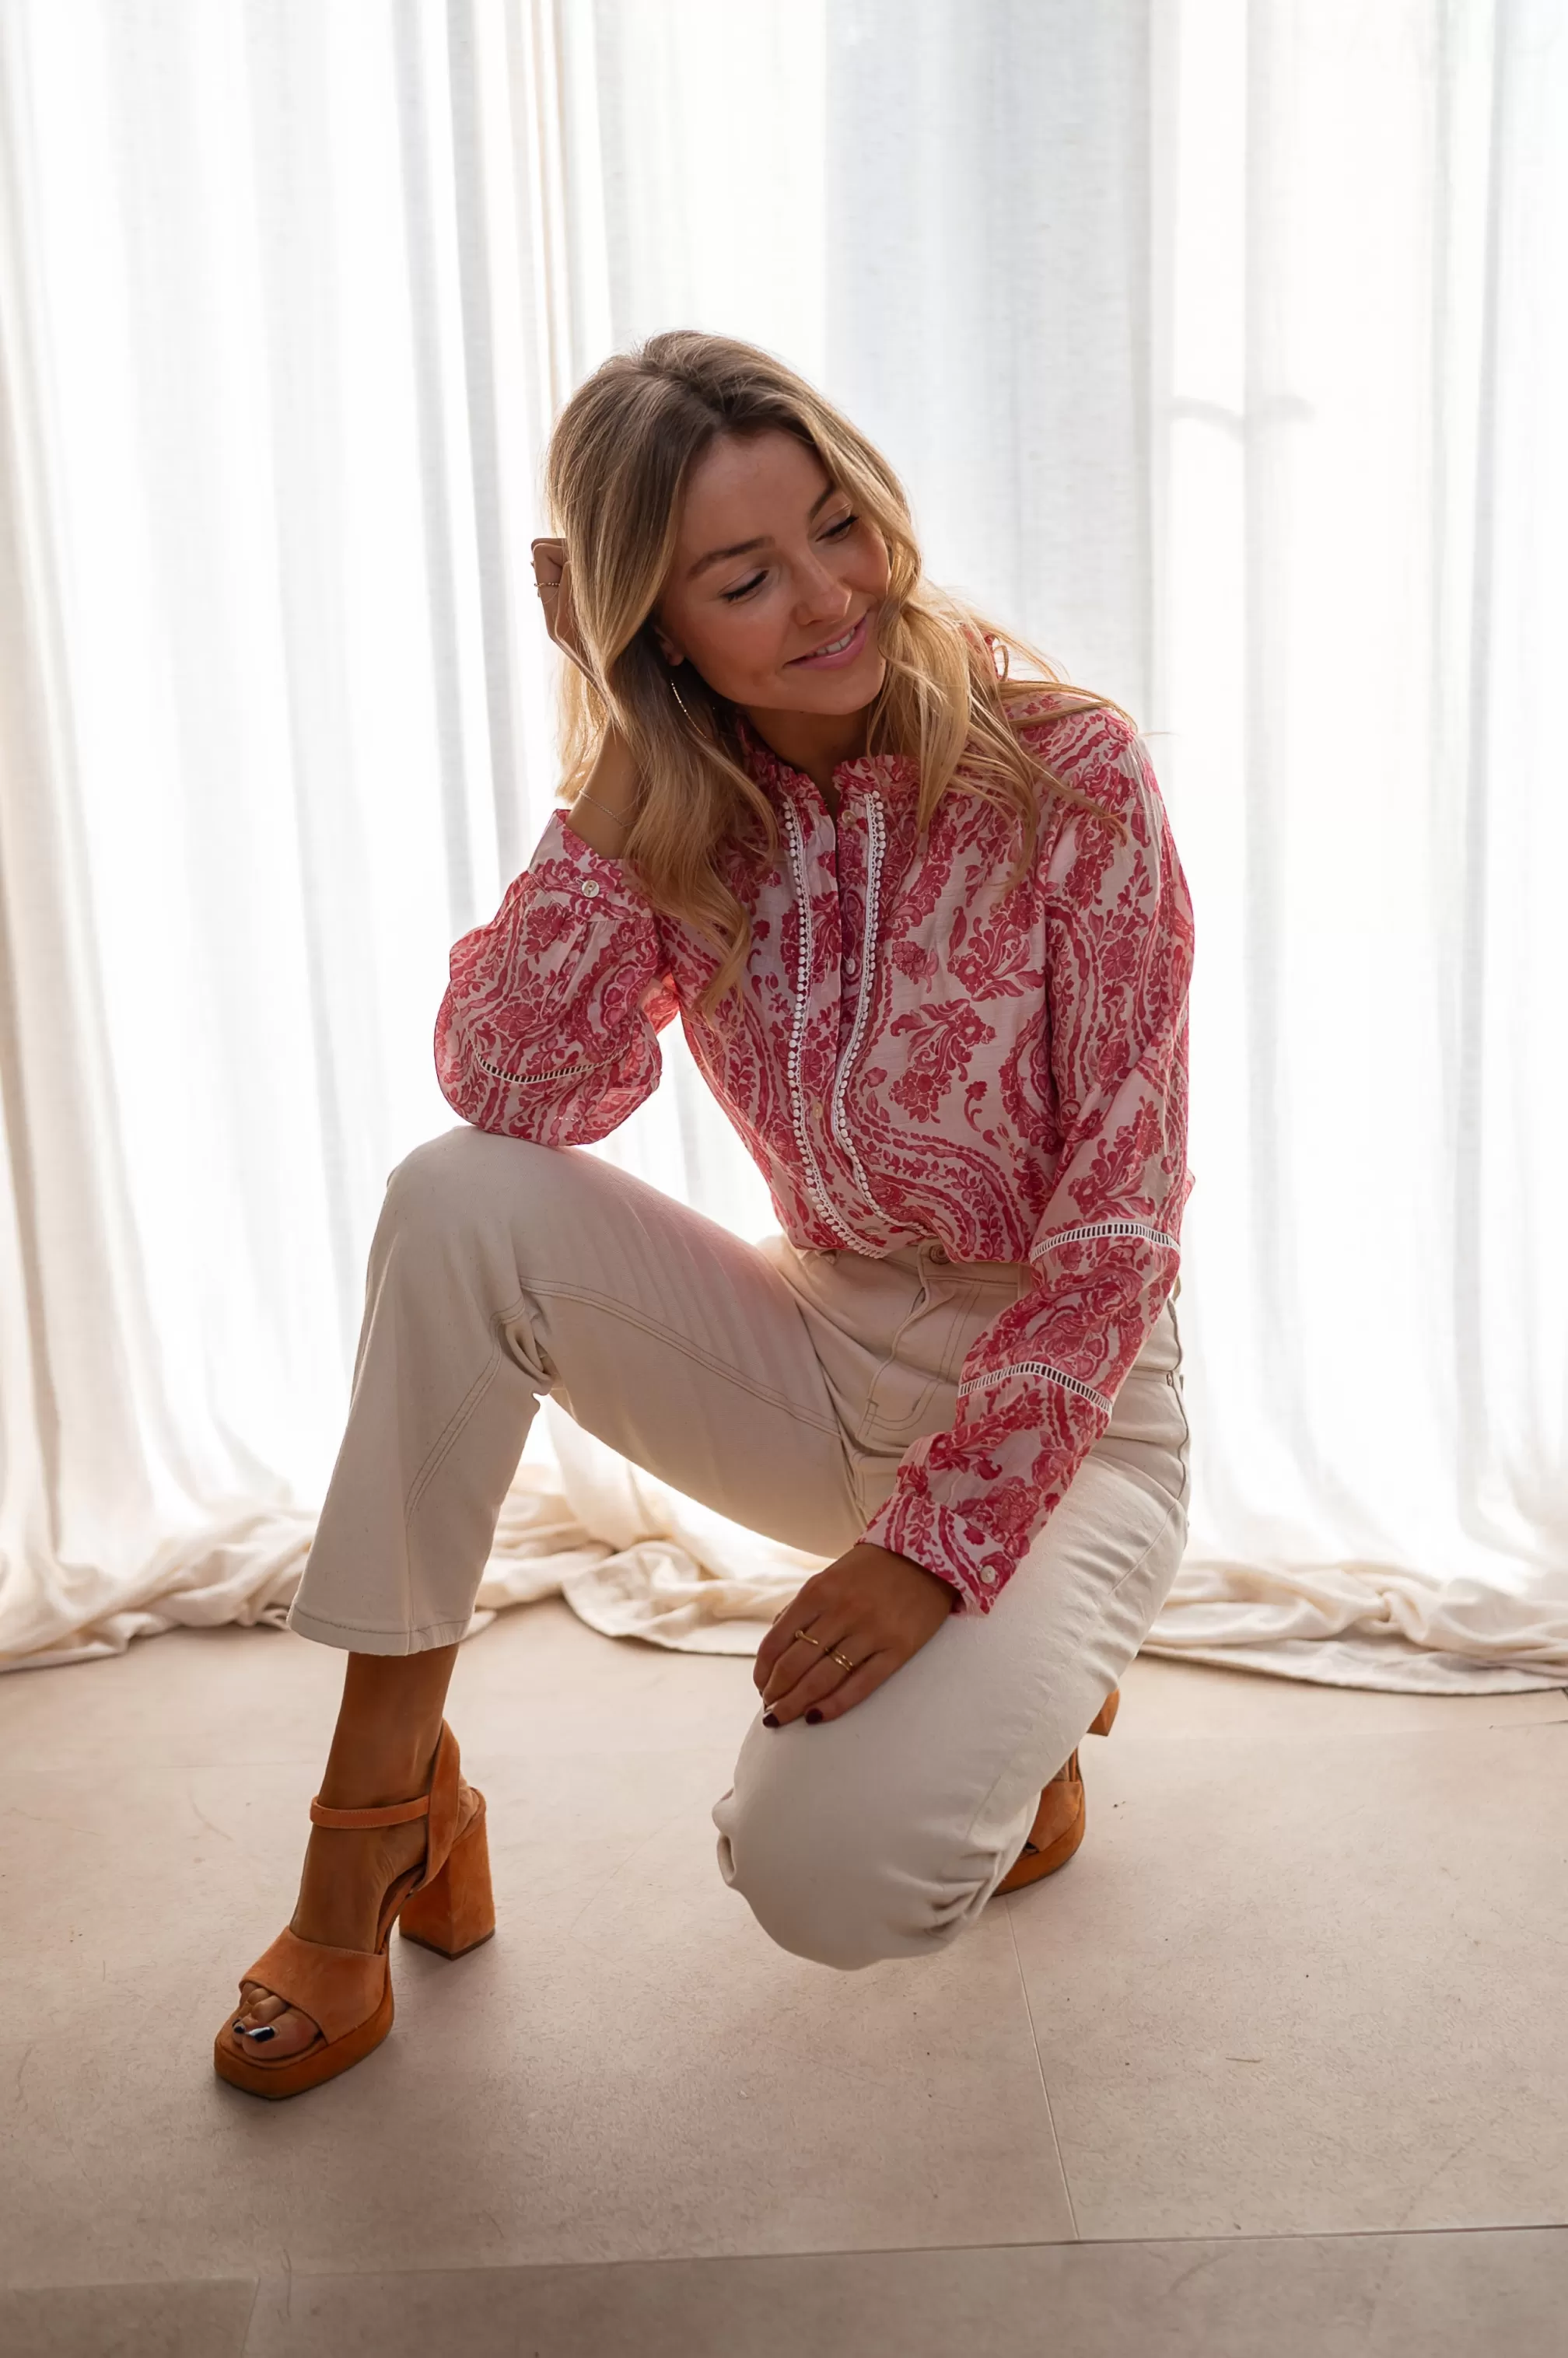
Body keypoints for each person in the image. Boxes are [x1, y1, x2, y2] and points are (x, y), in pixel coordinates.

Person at [214, 330, 1195, 2101]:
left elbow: (1122, 1221)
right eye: (743, 579)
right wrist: (620, 749)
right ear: (657, 627)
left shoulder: (1073, 774)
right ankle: (377, 1815)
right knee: (458, 1199)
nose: (832, 595)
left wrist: (938, 1549)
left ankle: (1023, 1690)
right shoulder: (693, 808)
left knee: (831, 1878)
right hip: (816, 1352)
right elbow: (512, 1083)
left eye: (838, 526)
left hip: (1070, 1414)